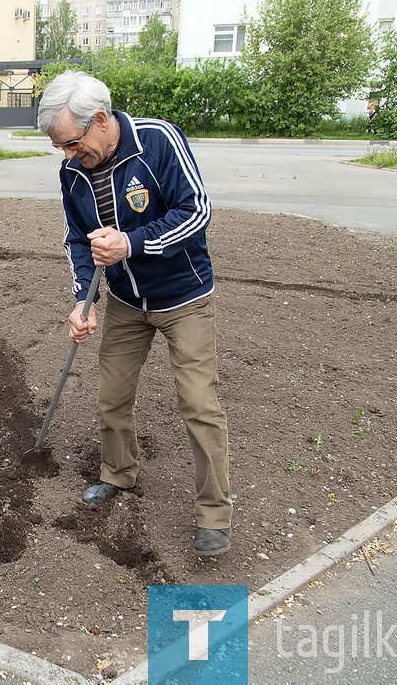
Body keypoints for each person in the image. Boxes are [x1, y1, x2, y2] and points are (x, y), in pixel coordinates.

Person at [36, 70, 233, 557]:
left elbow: (196, 211)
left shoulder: (158, 141)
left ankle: (214, 515)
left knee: (198, 405)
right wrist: (84, 301)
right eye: (60, 147)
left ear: (100, 120)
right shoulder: (72, 174)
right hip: (126, 302)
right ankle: (118, 474)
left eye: (72, 143)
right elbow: (78, 243)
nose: (67, 155)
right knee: (112, 395)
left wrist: (131, 243)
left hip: (184, 297)